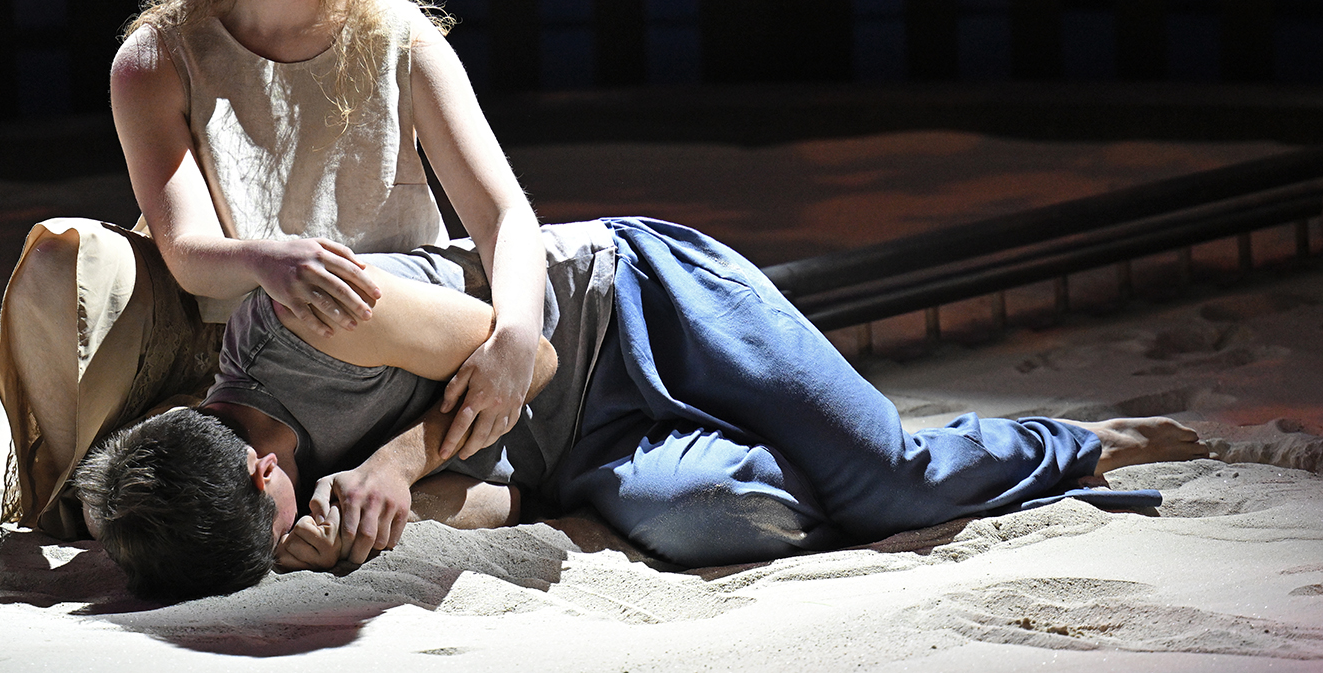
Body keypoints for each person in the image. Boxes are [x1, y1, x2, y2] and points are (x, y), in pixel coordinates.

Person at [77, 218, 1210, 600]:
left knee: (888, 484)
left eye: (275, 540)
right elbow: (508, 492)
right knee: (737, 518)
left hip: (631, 303)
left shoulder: (300, 323)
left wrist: (392, 459)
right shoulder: (236, 486)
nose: (293, 548)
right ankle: (839, 432)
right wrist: (399, 515)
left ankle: (1070, 444)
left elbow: (515, 357)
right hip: (589, 448)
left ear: (258, 470)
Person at [0, 0, 546, 540]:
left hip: (382, 332)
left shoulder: (397, 35)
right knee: (61, 254)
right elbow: (186, 252)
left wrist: (517, 333)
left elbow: (503, 212)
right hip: (230, 347)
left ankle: (360, 487)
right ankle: (74, 495)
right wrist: (268, 260)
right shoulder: (159, 57)